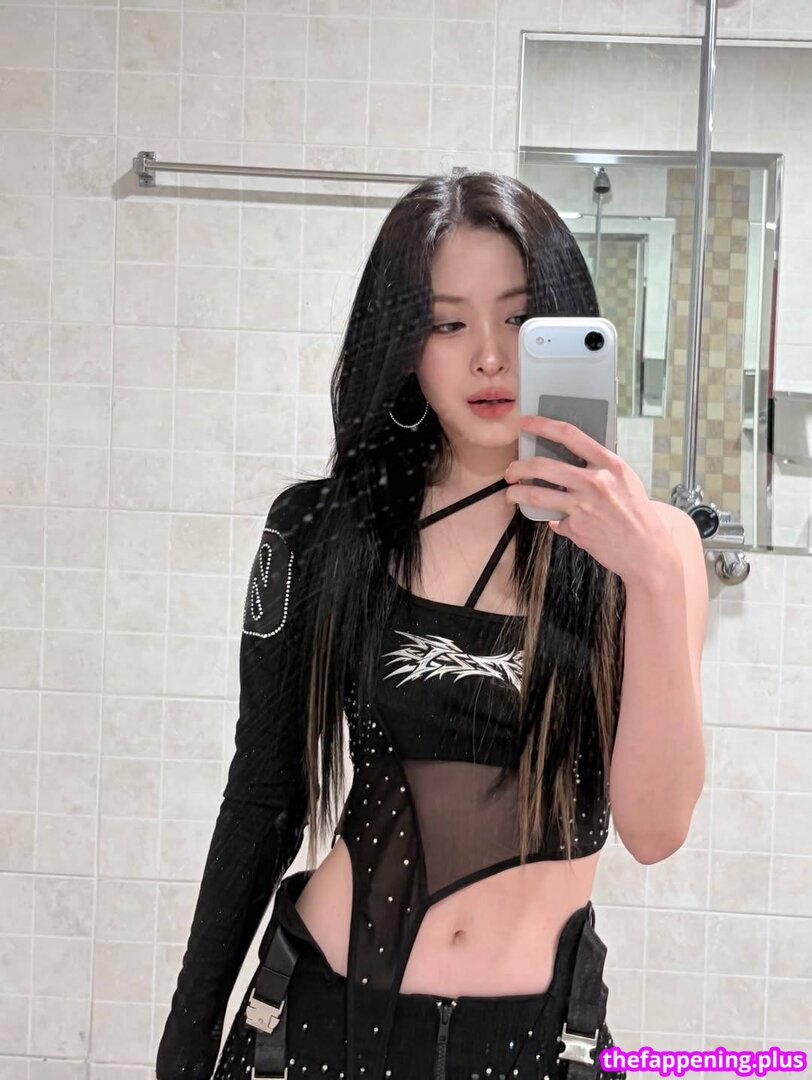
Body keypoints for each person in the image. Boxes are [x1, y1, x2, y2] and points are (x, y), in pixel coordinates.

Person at [156, 171, 707, 1080]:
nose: (489, 356)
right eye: (448, 324)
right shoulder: (321, 529)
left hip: (535, 1046)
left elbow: (654, 829)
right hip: (315, 1025)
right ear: (404, 343)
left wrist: (647, 573)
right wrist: (184, 1046)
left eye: (520, 319)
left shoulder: (655, 549)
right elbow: (262, 797)